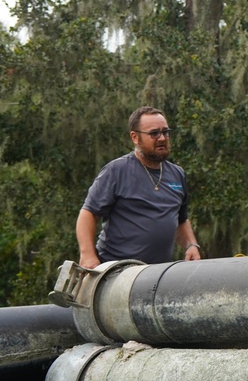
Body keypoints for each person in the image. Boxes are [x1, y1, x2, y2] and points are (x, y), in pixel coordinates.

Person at [76, 106, 202, 268]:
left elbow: (181, 219)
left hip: (158, 274)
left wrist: (191, 245)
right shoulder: (116, 171)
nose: (162, 138)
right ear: (135, 137)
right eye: (154, 133)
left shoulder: (177, 174)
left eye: (165, 132)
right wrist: (87, 255)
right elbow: (88, 214)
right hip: (117, 271)